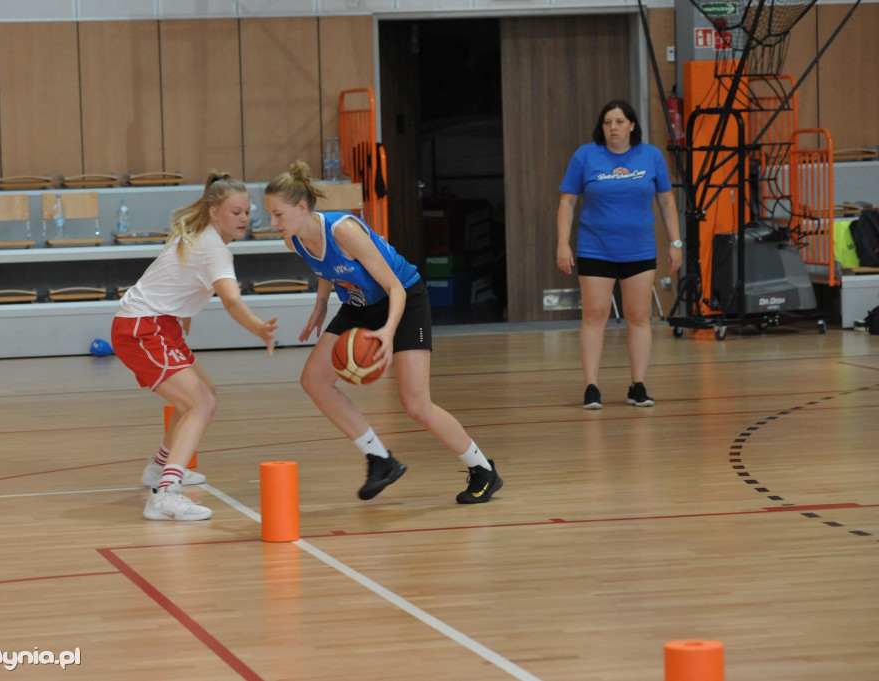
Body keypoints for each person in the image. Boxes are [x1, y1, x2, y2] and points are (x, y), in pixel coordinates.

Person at [263, 160, 502, 504]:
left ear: (301, 208)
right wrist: (320, 304)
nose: (272, 223)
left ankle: (483, 470)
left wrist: (389, 332)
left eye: (277, 214)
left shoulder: (344, 231)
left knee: (416, 405)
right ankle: (380, 460)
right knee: (314, 380)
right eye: (270, 214)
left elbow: (395, 287)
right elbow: (325, 267)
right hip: (359, 304)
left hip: (403, 298)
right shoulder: (295, 238)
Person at [112, 172, 278, 520]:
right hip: (143, 328)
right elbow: (232, 301)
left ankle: (160, 468)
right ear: (214, 212)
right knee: (201, 403)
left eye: (248, 211)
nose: (245, 218)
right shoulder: (212, 248)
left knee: (203, 393)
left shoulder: (200, 237)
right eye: (236, 212)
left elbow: (175, 282)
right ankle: (165, 495)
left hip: (159, 324)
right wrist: (259, 328)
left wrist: (183, 317)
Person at [556, 99, 682, 410]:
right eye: (608, 122)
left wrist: (675, 242)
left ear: (632, 125)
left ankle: (638, 385)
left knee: (638, 317)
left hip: (639, 250)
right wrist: (562, 243)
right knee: (594, 316)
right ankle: (591, 387)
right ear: (602, 128)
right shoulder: (585, 156)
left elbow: (666, 202)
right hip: (595, 248)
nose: (613, 127)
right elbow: (568, 202)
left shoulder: (650, 156)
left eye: (619, 121)